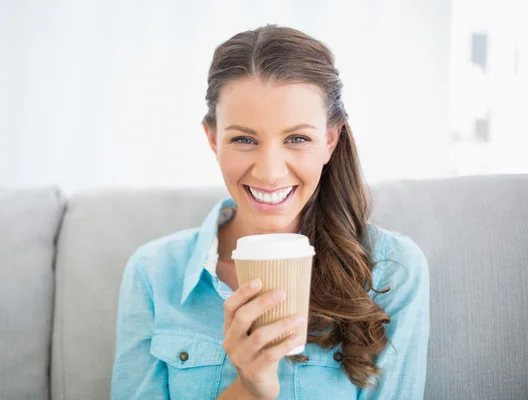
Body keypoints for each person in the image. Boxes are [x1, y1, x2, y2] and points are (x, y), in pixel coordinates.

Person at [111, 25, 430, 400]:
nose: (269, 172)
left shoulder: (392, 269)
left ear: (330, 140)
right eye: (244, 140)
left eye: (297, 139)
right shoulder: (153, 272)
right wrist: (249, 389)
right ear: (213, 139)